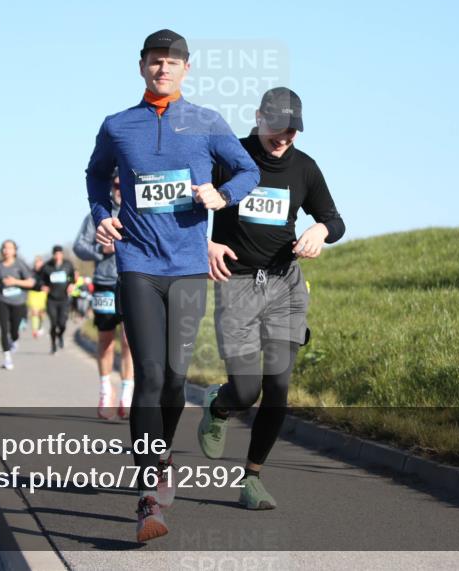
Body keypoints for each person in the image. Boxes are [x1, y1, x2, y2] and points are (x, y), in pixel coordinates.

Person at [85, 29, 259, 542]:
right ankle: (149, 494)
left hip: (186, 265)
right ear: (141, 67)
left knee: (177, 381)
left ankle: (160, 457)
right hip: (136, 262)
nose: (163, 69)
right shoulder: (118, 126)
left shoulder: (206, 123)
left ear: (187, 69)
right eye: (155, 61)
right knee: (152, 375)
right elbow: (95, 176)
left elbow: (248, 170)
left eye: (172, 62)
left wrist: (221, 195)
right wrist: (103, 215)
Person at [197, 87, 344, 510]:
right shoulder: (230, 155)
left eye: (292, 131)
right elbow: (191, 203)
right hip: (237, 282)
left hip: (285, 286)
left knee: (277, 387)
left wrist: (320, 231)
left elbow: (334, 219)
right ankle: (219, 405)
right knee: (246, 390)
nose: (283, 138)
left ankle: (252, 478)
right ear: (259, 117)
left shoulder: (305, 168)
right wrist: (206, 243)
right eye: (276, 128)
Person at [73, 171, 134, 420]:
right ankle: (105, 390)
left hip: (133, 282)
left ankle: (127, 395)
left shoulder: (137, 211)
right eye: (115, 184)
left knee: (131, 342)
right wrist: (102, 249)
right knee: (106, 339)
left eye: (123, 184)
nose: (119, 188)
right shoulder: (97, 215)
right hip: (105, 283)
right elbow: (80, 246)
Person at [0, 240, 35, 370]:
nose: (6, 250)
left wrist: (15, 281)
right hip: (2, 300)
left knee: (14, 331)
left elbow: (31, 283)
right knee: (4, 329)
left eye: (9, 248)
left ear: (15, 250)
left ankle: (14, 340)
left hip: (18, 301)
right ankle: (7, 358)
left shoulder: (20, 265)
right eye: (4, 248)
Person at [38, 245, 75, 354]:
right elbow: (40, 279)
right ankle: (53, 345)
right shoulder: (47, 266)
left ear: (62, 254)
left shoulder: (68, 265)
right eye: (56, 254)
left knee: (62, 324)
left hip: (64, 299)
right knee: (53, 323)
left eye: (60, 254)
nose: (58, 256)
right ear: (53, 255)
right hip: (51, 299)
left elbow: (73, 278)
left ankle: (60, 335)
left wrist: (72, 284)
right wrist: (42, 286)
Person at [27, 256, 47, 338]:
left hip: (43, 294)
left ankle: (40, 326)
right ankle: (35, 330)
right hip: (33, 293)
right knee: (34, 312)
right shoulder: (30, 272)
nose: (38, 264)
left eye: (40, 263)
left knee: (41, 313)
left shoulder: (46, 272)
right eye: (37, 263)